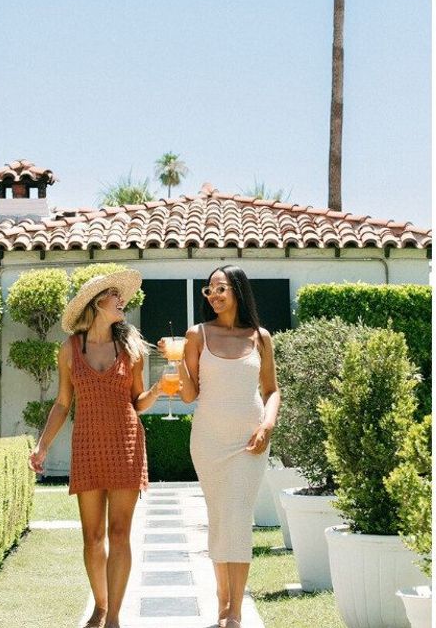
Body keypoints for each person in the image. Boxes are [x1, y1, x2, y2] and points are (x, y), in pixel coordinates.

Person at [29, 269, 163, 628]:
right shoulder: (70, 349)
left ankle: (115, 616)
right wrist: (42, 447)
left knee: (120, 533)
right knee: (92, 538)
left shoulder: (131, 347)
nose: (122, 300)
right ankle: (100, 607)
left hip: (126, 445)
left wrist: (160, 390)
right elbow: (61, 403)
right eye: (113, 295)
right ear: (95, 304)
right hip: (87, 447)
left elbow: (139, 402)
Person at [159, 265, 280, 628]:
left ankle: (235, 612)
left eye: (220, 288)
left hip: (250, 440)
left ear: (238, 291)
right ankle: (222, 601)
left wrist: (267, 426)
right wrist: (177, 361)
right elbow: (190, 394)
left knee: (239, 519)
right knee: (219, 519)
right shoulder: (196, 335)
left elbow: (271, 391)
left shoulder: (260, 337)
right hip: (209, 440)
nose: (213, 296)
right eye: (208, 290)